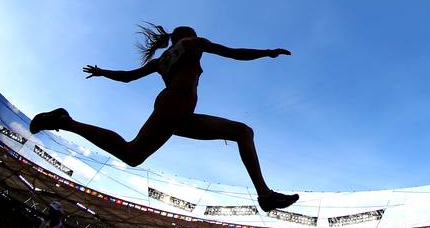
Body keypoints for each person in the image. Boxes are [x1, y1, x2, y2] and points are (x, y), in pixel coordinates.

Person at [30, 24, 299, 211]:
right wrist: (266, 53)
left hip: (175, 108)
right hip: (176, 104)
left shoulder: (162, 60)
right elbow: (233, 53)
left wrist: (103, 72)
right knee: (132, 153)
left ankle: (264, 195)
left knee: (242, 132)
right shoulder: (194, 43)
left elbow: (127, 77)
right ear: (189, 34)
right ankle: (65, 121)